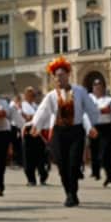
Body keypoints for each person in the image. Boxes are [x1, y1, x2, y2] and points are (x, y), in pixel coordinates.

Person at [29, 57, 99, 207]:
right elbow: (43, 111)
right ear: (53, 78)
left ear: (68, 75)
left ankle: (72, 194)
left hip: (76, 131)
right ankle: (68, 191)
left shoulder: (79, 91)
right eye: (56, 75)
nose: (59, 78)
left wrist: (91, 126)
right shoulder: (51, 96)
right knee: (62, 164)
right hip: (59, 133)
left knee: (73, 163)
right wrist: (36, 125)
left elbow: (90, 110)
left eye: (62, 74)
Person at [86, 78, 111, 186]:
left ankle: (109, 174)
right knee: (94, 150)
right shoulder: (89, 99)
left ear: (104, 88)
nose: (97, 88)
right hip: (95, 127)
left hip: (107, 128)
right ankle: (96, 172)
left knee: (105, 154)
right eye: (95, 86)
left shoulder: (110, 100)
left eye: (99, 86)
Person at [19, 87, 50, 186]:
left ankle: (43, 176)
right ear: (25, 95)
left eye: (33, 95)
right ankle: (31, 179)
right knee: (28, 157)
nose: (32, 96)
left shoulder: (36, 106)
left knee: (41, 156)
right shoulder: (21, 105)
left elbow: (41, 116)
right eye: (29, 94)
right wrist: (30, 117)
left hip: (38, 132)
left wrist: (33, 117)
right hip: (27, 131)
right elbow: (22, 117)